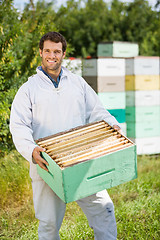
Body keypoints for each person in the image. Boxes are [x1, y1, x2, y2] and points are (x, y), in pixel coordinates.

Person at [10, 31, 122, 240]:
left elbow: (97, 111)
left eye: (57, 51)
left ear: (63, 53)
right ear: (41, 52)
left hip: (82, 160)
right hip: (47, 164)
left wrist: (111, 125)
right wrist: (31, 149)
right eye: (48, 51)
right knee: (49, 225)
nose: (52, 56)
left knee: (104, 210)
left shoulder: (77, 83)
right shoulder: (28, 90)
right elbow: (18, 125)